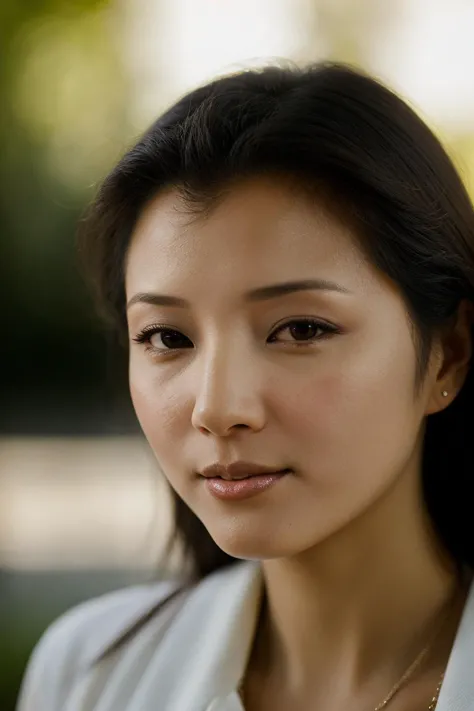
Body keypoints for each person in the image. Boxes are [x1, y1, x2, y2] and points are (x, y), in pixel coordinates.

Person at [17, 61, 474, 711]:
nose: (217, 408)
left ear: (449, 355)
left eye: (300, 328)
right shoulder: (90, 674)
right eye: (167, 337)